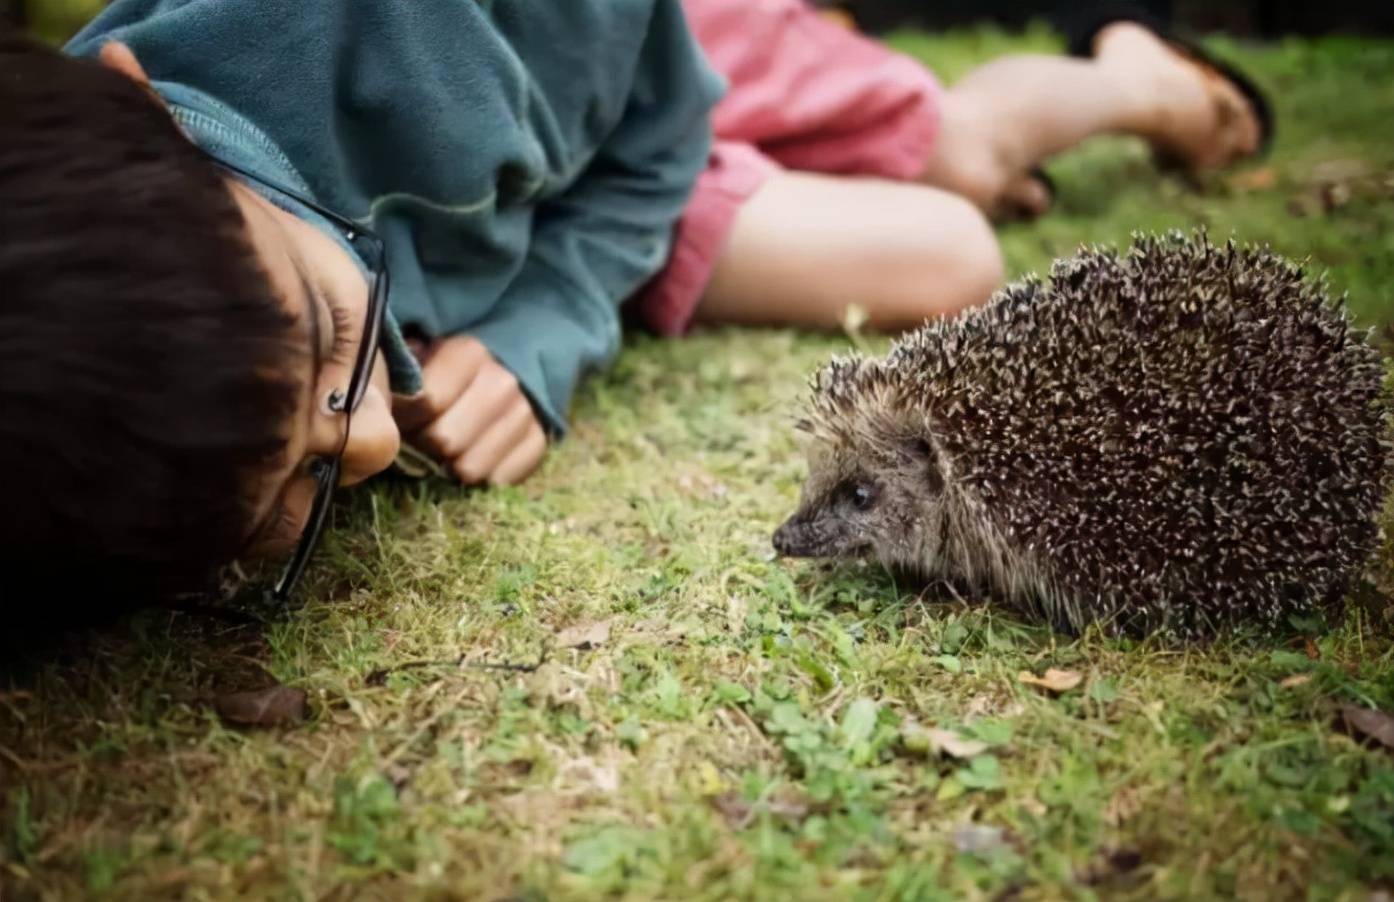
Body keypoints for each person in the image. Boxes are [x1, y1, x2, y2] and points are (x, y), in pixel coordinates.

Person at [0, 0, 1265, 606]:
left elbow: (659, 139)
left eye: (338, 344)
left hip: (645, 85)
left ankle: (1134, 79)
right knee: (933, 253)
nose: (376, 439)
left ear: (142, 105)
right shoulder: (76, 361)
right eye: (291, 499)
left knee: (956, 174)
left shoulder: (405, 32)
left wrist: (542, 324)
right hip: (529, 193)